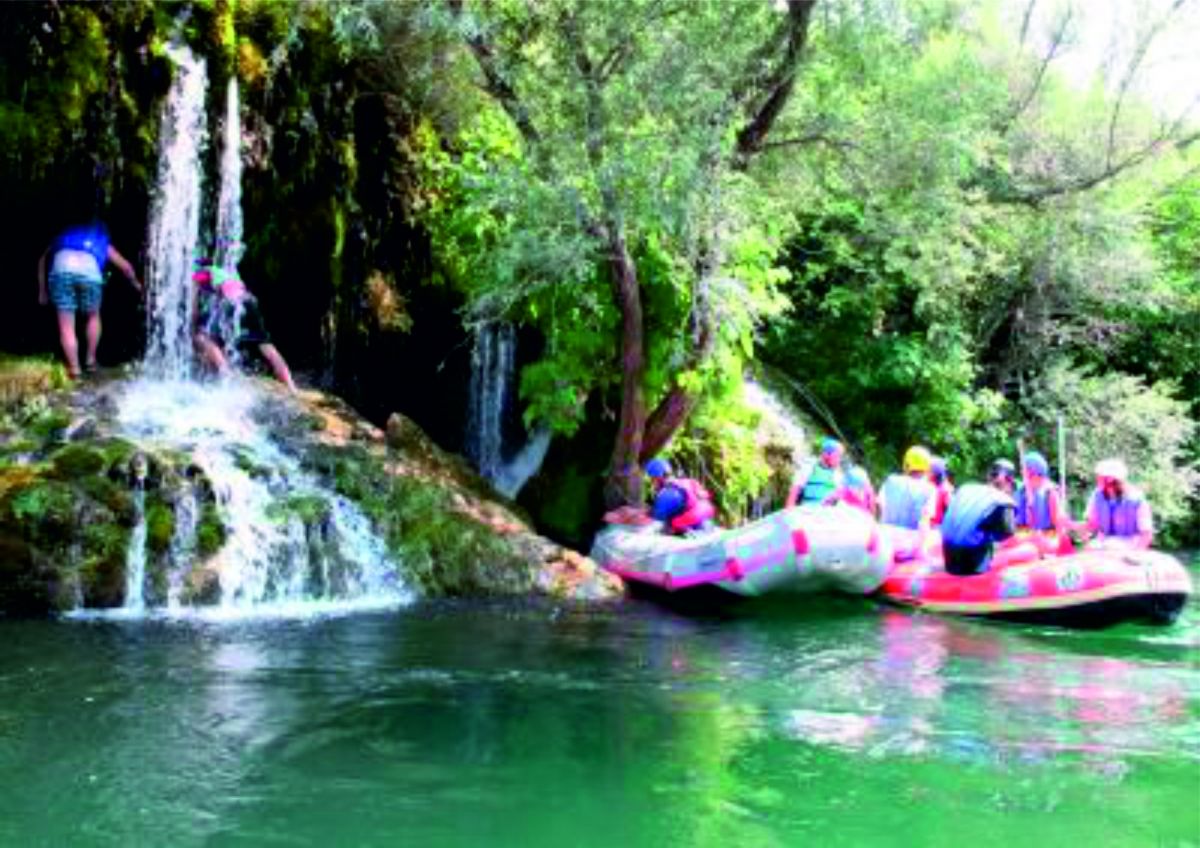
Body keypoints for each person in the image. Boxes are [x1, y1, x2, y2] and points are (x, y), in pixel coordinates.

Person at [37, 221, 142, 379]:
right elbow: (126, 267)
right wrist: (136, 285)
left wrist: (43, 291)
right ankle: (91, 362)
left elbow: (42, 260)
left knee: (66, 326)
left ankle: (74, 370)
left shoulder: (63, 235)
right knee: (93, 316)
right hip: (89, 274)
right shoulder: (101, 239)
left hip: (61, 271)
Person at [192, 257, 296, 391]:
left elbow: (193, 306)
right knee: (266, 346)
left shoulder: (198, 274)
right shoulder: (226, 272)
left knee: (204, 338)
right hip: (249, 301)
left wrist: (192, 325)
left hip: (230, 302)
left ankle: (226, 380)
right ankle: (291, 387)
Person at [940, 460, 1018, 576]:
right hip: (972, 566)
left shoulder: (965, 488)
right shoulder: (1003, 500)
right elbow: (1007, 536)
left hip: (948, 559)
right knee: (1027, 550)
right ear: (1009, 481)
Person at [878, 445, 938, 561]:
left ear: (906, 464)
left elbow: (880, 508)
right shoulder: (929, 489)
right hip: (907, 548)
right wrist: (921, 553)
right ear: (927, 467)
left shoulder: (890, 481)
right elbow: (924, 522)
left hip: (885, 543)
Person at [1082, 459, 1154, 550]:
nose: (1097, 479)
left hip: (1130, 545)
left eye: (1100, 477)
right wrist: (1070, 525)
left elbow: (1147, 534)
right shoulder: (1097, 495)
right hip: (1104, 543)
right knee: (1092, 547)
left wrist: (1136, 554)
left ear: (1110, 479)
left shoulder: (1137, 499)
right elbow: (1092, 524)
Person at [645, 457, 716, 536]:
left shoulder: (666, 494)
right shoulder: (686, 482)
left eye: (652, 478)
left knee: (669, 526)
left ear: (658, 477)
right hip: (707, 519)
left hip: (694, 525)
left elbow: (657, 519)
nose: (652, 482)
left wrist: (646, 513)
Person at [1015, 450, 1067, 553]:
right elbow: (1017, 526)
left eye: (1026, 471)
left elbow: (1059, 525)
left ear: (1036, 473)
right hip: (1026, 536)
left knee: (1035, 545)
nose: (1022, 473)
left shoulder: (1050, 493)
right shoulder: (1021, 493)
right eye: (1023, 470)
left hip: (1047, 537)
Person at [785, 437, 845, 508]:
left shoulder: (838, 475)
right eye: (837, 456)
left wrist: (835, 498)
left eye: (840, 456)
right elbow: (794, 492)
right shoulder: (808, 468)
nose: (839, 460)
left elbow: (838, 501)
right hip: (806, 513)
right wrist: (789, 512)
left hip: (825, 515)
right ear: (826, 454)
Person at [929, 456, 954, 527]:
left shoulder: (945, 488)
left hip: (935, 527)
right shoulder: (945, 487)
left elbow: (950, 509)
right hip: (928, 526)